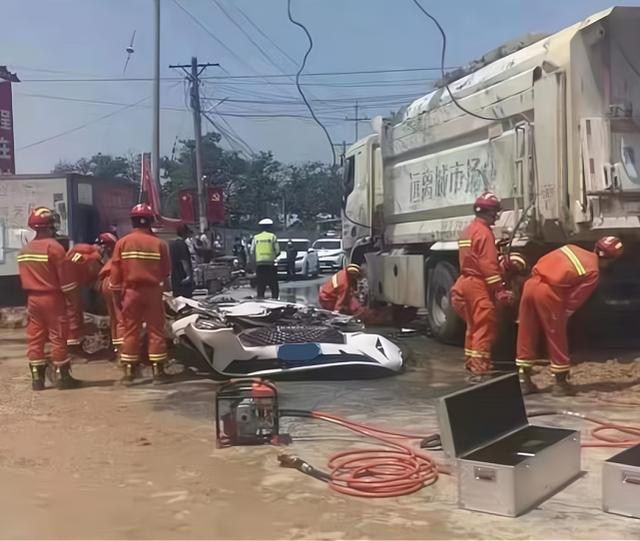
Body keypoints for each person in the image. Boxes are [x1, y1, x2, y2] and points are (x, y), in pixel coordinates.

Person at [515, 236, 623, 396]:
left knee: (526, 331)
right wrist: (563, 316)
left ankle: (524, 381)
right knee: (556, 336)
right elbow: (574, 300)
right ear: (610, 260)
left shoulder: (571, 248)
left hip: (531, 284)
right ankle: (560, 384)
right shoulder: (593, 271)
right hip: (548, 293)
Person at [449, 192, 514, 380]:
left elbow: (473, 258)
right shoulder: (485, 233)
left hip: (464, 282)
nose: (497, 216)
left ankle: (471, 364)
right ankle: (480, 370)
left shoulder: (468, 230)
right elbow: (487, 264)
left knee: (473, 326)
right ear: (490, 212)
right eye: (495, 212)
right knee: (485, 326)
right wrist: (499, 289)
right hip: (478, 285)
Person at [17, 207, 81, 391]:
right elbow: (66, 281)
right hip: (52, 298)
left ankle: (37, 379)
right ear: (50, 225)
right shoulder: (54, 248)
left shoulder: (25, 250)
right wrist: (73, 302)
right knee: (57, 335)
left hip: (33, 299)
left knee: (35, 337)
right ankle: (64, 377)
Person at [109, 204, 172, 385]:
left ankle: (129, 373)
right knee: (156, 330)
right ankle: (158, 372)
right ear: (150, 221)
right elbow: (165, 272)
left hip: (131, 293)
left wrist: (117, 297)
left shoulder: (122, 243)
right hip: (153, 292)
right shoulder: (159, 244)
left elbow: (116, 273)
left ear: (133, 221)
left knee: (130, 330)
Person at [65, 241, 102, 351]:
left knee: (72, 311)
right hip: (69, 284)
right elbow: (79, 266)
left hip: (66, 283)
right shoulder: (84, 256)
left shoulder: (77, 253)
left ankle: (73, 337)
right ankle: (72, 342)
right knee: (72, 311)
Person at [95, 232, 121, 360]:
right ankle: (122, 349)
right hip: (113, 282)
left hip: (106, 282)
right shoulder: (91, 255)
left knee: (114, 317)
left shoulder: (92, 255)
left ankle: (117, 346)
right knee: (120, 316)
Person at [250, 218, 279, 299]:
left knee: (261, 284)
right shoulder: (272, 237)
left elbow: (252, 251)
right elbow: (277, 251)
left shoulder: (256, 238)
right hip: (270, 265)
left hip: (260, 265)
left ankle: (260, 298)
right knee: (273, 285)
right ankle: (275, 300)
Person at [170, 224, 194, 298]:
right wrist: (189, 276)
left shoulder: (172, 244)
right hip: (183, 278)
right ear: (184, 232)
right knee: (187, 301)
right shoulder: (181, 244)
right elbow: (184, 261)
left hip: (175, 278)